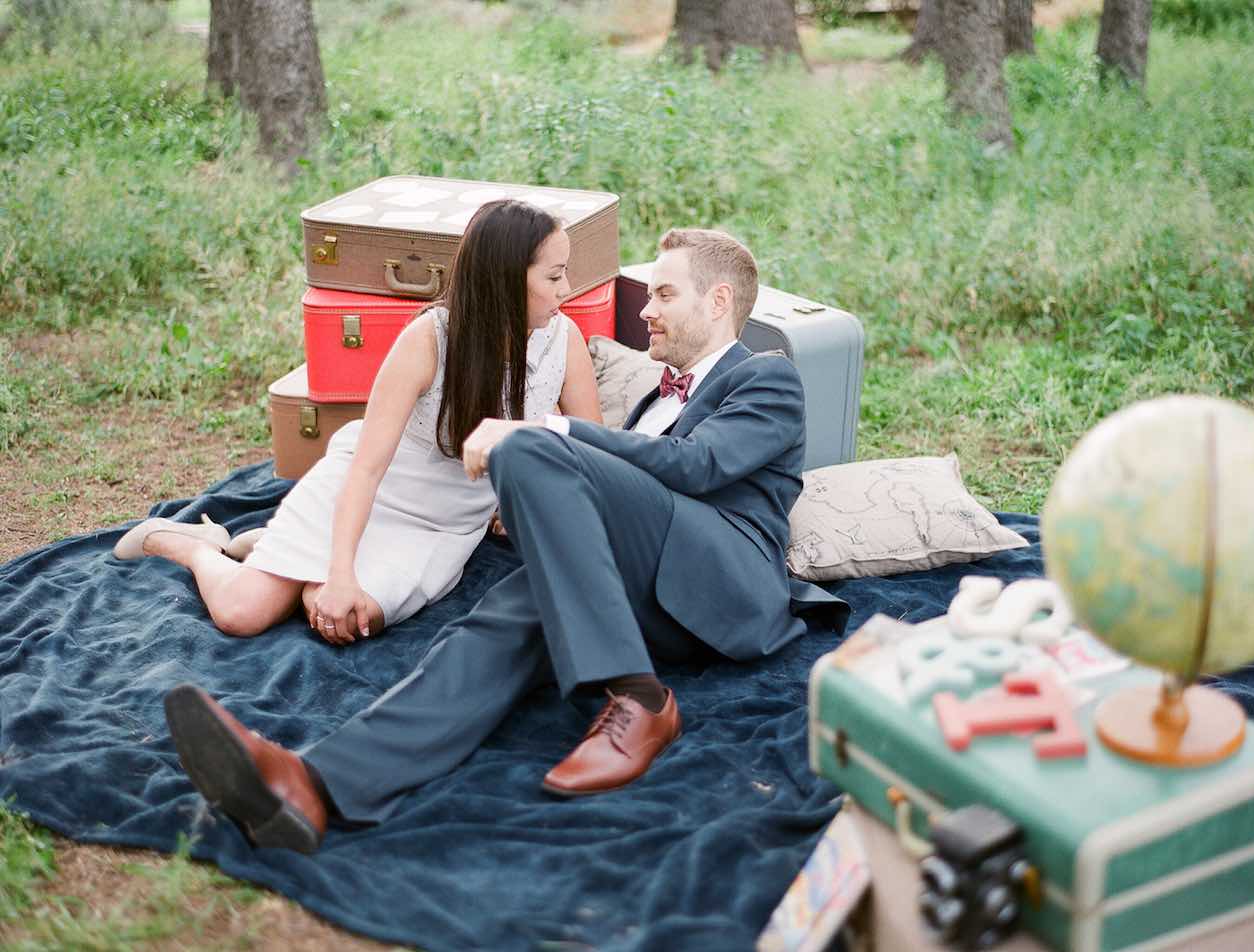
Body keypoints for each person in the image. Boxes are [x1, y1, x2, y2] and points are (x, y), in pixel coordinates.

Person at [162, 227, 848, 852]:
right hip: (640, 596)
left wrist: (546, 435)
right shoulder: (649, 402)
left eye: (664, 293)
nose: (645, 309)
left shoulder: (766, 378)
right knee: (492, 629)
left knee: (527, 448)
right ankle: (314, 786)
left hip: (726, 586)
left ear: (719, 301)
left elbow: (697, 468)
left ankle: (639, 695)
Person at [113, 199, 601, 643]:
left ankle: (279, 556)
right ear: (506, 277)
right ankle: (196, 545)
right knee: (243, 614)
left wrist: (515, 493)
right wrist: (342, 571)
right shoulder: (429, 338)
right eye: (555, 276)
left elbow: (594, 452)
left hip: (440, 527)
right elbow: (366, 468)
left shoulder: (564, 341)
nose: (568, 288)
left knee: (348, 621)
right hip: (372, 492)